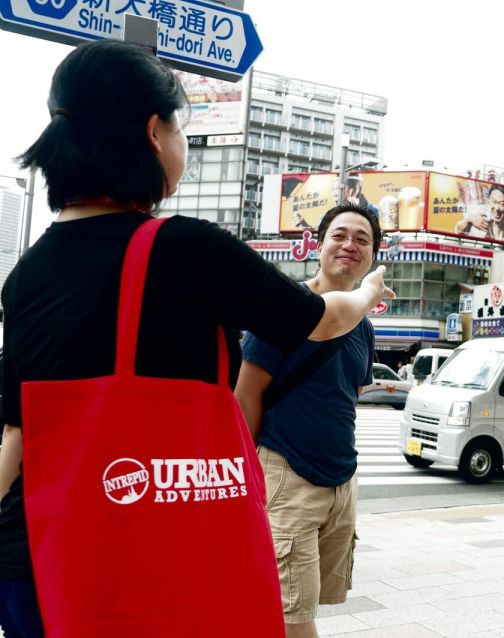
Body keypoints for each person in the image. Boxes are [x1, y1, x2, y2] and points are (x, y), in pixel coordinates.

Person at [0, 41, 393, 637]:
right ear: (154, 132)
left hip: (33, 562)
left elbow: (14, 432)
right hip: (144, 560)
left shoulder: (27, 273)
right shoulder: (183, 247)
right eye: (180, 128)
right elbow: (321, 317)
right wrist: (369, 293)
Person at [236, 203, 379, 637]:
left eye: (362, 238)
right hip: (286, 475)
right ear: (317, 246)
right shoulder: (285, 307)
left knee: (300, 604)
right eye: (339, 235)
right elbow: (246, 395)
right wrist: (252, 477)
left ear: (372, 254)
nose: (349, 245)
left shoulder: (363, 325)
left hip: (340, 480)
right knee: (291, 615)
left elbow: (347, 396)